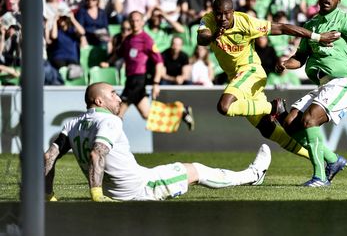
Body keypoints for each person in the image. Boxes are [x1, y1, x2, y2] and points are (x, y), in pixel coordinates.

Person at [44, 82, 272, 201]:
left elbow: (49, 157)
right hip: (140, 188)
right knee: (197, 171)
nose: (118, 97)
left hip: (118, 189)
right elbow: (97, 154)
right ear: (98, 100)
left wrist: (48, 195)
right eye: (113, 94)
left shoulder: (72, 124)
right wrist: (96, 195)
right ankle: (253, 175)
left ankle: (252, 175)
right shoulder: (111, 122)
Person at [196, 0, 340, 160]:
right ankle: (327, 160)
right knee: (268, 130)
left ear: (233, 12)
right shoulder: (208, 20)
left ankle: (272, 107)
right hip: (236, 78)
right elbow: (202, 39)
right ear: (213, 13)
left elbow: (283, 28)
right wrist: (213, 35)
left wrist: (318, 37)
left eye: (226, 14)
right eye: (218, 14)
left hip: (250, 72)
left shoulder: (246, 23)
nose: (222, 18)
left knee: (224, 107)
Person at [275, 0, 347, 186]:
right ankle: (333, 160)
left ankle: (320, 177)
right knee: (290, 123)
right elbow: (300, 57)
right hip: (324, 85)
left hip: (344, 81)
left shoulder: (346, 20)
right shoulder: (310, 26)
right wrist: (285, 64)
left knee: (309, 120)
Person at [106, 11, 195, 130]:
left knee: (118, 113)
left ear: (142, 22)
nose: (134, 23)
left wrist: (156, 83)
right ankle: (181, 110)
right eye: (132, 20)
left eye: (137, 20)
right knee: (146, 114)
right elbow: (118, 54)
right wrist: (107, 62)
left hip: (138, 80)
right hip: (130, 79)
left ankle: (113, 145)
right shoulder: (127, 40)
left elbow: (159, 62)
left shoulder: (146, 40)